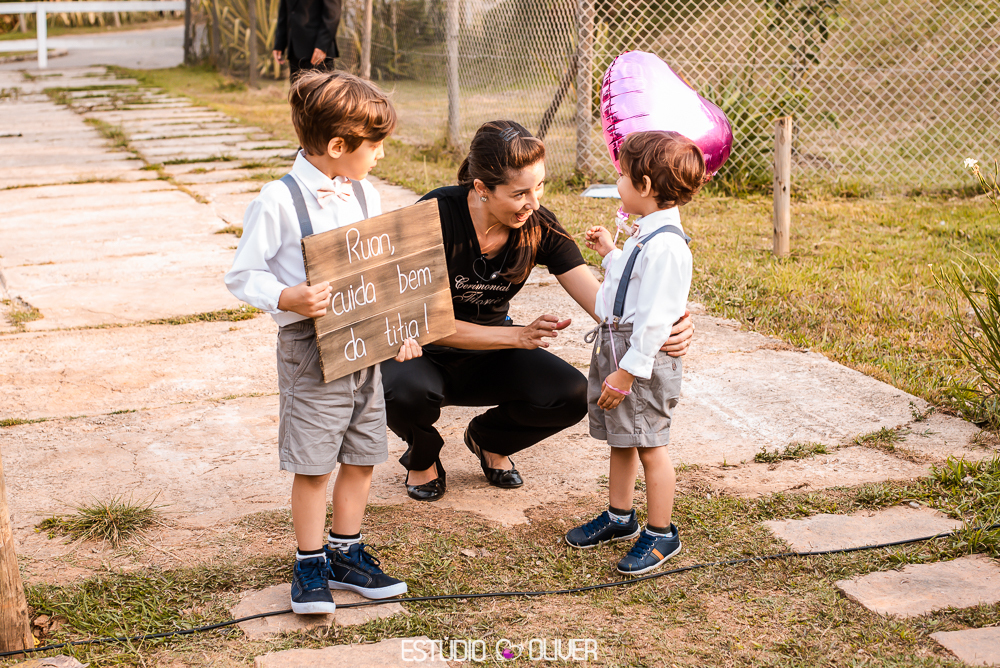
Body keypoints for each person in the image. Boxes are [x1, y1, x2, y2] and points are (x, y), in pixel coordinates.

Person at [381, 120, 695, 503]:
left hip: (490, 357)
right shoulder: (435, 214)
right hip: (424, 354)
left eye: (539, 187)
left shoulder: (536, 224)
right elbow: (415, 319)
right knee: (400, 389)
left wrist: (661, 328)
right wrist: (517, 335)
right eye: (519, 193)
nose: (533, 203)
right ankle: (423, 455)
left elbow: (603, 302)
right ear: (482, 188)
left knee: (571, 392)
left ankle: (488, 439)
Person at [225, 71, 420, 614]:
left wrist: (399, 326)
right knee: (315, 464)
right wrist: (288, 296)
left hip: (364, 347)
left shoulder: (366, 193)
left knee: (362, 455)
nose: (380, 157)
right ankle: (309, 563)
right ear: (339, 146)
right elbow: (243, 274)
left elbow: (383, 268)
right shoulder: (278, 200)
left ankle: (345, 552)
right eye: (374, 146)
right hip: (310, 351)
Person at [564, 130, 704, 576]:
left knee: (649, 444)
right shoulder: (649, 234)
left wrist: (626, 373)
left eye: (622, 175)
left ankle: (662, 532)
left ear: (644, 186)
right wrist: (609, 252)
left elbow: (656, 320)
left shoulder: (667, 247)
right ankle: (620, 516)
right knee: (622, 437)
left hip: (638, 359)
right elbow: (631, 279)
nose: (618, 182)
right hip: (618, 347)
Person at [273, 0, 341, 80]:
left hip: (317, 52)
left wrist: (322, 46)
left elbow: (332, 15)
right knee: (297, 91)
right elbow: (284, 11)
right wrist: (279, 43)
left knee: (319, 91)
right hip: (294, 49)